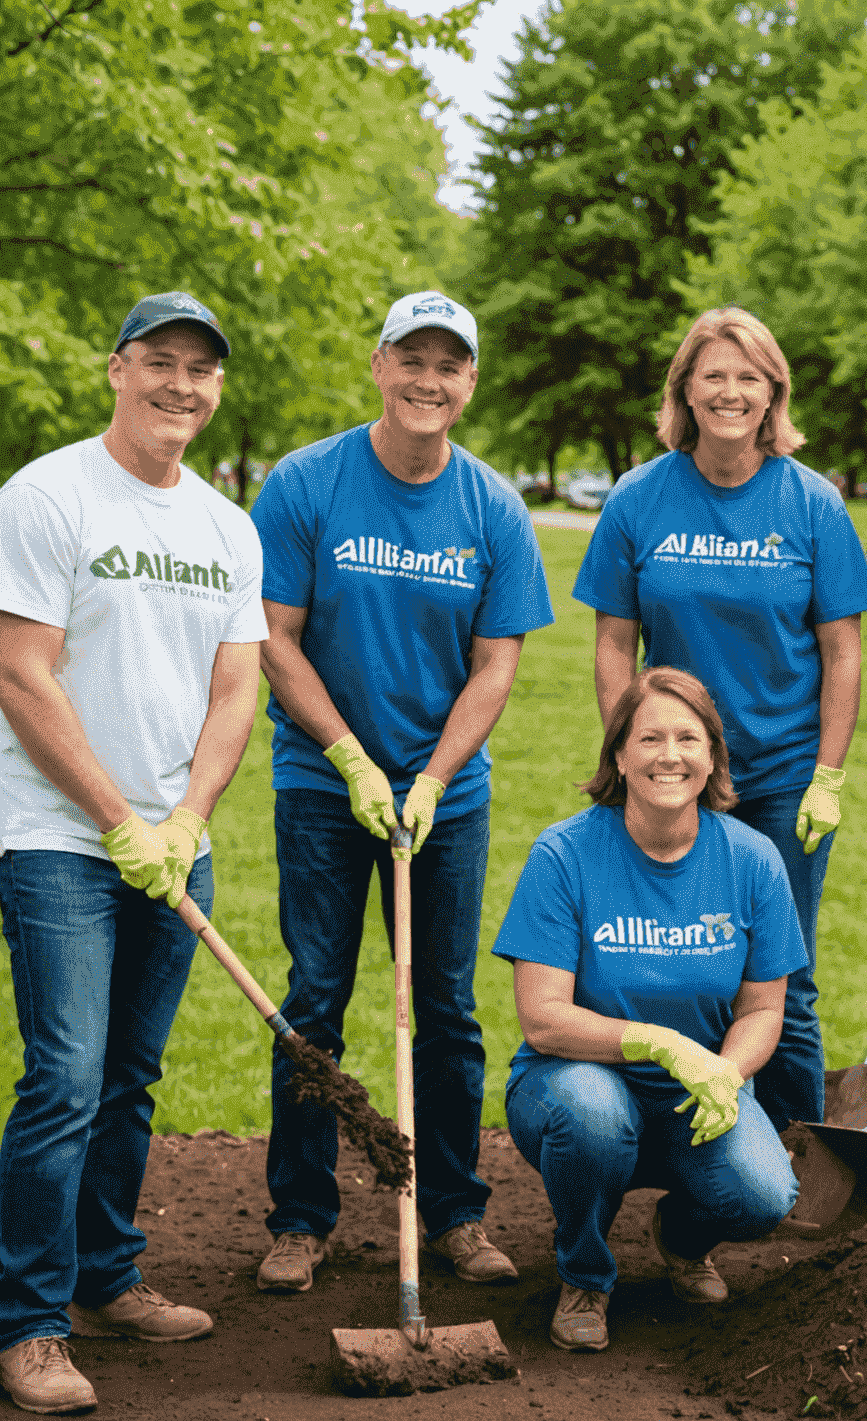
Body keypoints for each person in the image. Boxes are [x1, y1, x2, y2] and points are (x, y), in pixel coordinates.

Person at [249, 291, 554, 1295]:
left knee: (448, 1009)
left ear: (471, 382)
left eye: (450, 365)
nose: (429, 380)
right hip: (321, 783)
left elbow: (495, 667)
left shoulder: (493, 509)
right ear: (379, 365)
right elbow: (275, 642)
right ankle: (302, 1217)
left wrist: (429, 778)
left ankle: (456, 1214)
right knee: (317, 1000)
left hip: (444, 799)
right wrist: (350, 761)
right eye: (411, 359)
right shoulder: (305, 485)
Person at [0, 293, 265, 1415]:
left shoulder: (225, 526)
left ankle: (108, 1276)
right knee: (65, 1075)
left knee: (131, 1078)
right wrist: (117, 818)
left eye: (200, 371)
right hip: (60, 836)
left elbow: (236, 684)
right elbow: (22, 672)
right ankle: (28, 1322)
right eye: (160, 362)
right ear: (116, 369)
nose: (182, 386)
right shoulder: (48, 494)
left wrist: (188, 820)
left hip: (172, 841)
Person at [572, 306, 867, 1131]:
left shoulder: (812, 504)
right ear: (686, 391)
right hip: (675, 775)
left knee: (781, 978)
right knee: (667, 964)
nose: (731, 392)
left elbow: (844, 652)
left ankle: (791, 1162)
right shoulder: (640, 496)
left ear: (773, 392)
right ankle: (672, 1143)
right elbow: (612, 640)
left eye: (749, 377)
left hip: (780, 776)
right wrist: (628, 754)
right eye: (714, 376)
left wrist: (829, 775)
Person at [493, 667, 803, 1352]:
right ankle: (585, 1276)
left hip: (695, 1092)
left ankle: (683, 1239)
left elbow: (763, 1008)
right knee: (594, 1116)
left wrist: (727, 1071)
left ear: (714, 756)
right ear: (620, 756)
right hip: (572, 1078)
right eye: (651, 738)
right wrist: (661, 1043)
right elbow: (543, 1018)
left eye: (689, 738)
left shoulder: (753, 860)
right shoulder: (565, 855)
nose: (671, 755)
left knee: (765, 1196)